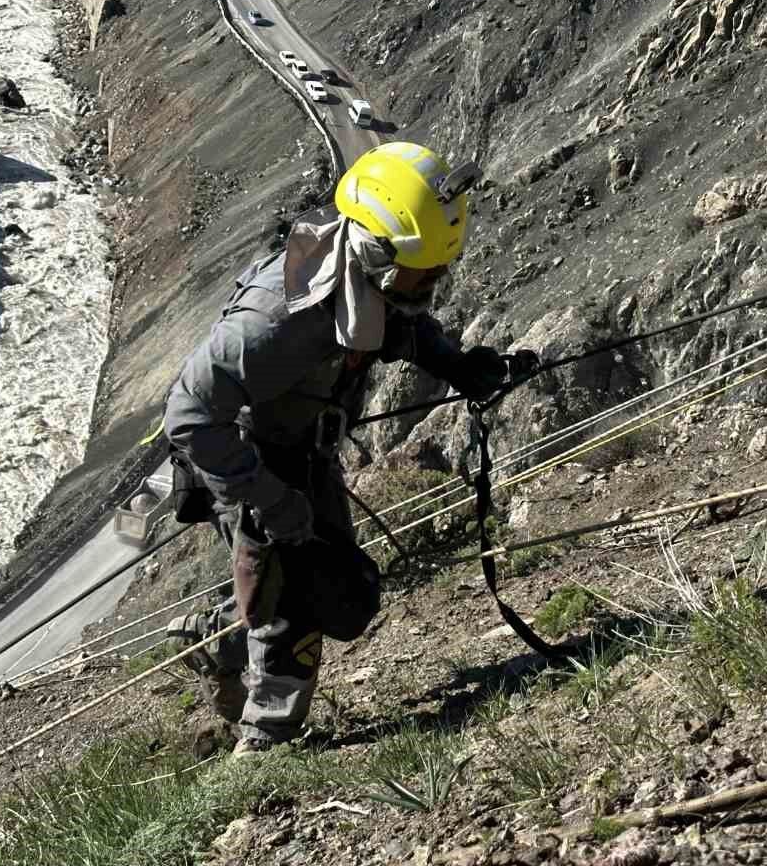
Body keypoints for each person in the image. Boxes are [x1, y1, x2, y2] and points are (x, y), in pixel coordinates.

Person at [161, 141, 526, 755]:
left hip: (306, 457)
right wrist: (270, 500)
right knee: (296, 606)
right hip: (248, 466)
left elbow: (401, 324)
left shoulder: (364, 285)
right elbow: (191, 415)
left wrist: (462, 368)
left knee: (347, 599)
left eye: (435, 272)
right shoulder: (276, 320)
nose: (428, 285)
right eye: (418, 272)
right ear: (375, 252)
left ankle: (212, 638)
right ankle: (264, 748)